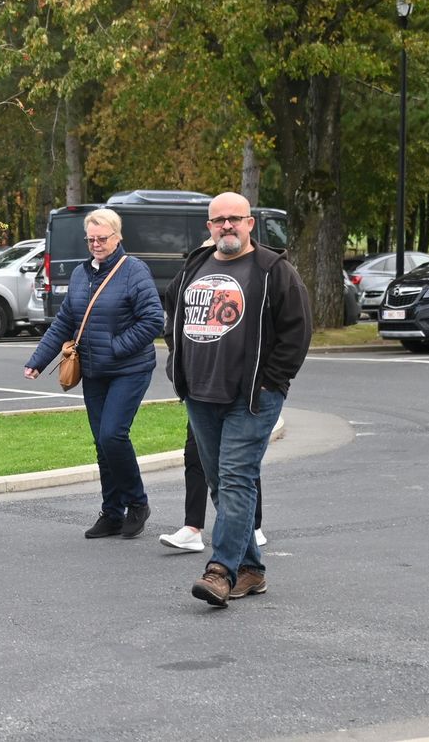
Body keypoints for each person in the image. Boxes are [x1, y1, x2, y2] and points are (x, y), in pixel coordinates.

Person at [165, 191, 311, 607]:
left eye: (235, 219)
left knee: (235, 478)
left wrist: (272, 382)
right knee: (219, 483)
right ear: (209, 227)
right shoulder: (196, 264)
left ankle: (221, 571)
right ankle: (252, 570)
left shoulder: (273, 270)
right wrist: (178, 364)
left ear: (250, 223)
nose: (226, 226)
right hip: (200, 393)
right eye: (218, 220)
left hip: (251, 398)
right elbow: (171, 310)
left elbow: (296, 331)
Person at [23, 208, 163, 539]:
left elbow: (153, 320)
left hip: (129, 368)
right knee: (102, 443)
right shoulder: (80, 274)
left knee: (113, 435)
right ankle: (112, 513)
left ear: (118, 237)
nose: (96, 244)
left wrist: (116, 347)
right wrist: (38, 359)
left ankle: (137, 502)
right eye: (91, 239)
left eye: (103, 238)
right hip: (95, 370)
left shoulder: (134, 271)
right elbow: (65, 322)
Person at [159, 423, 267, 552]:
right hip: (204, 402)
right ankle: (192, 528)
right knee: (194, 453)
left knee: (242, 460)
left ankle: (253, 527)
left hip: (241, 405)